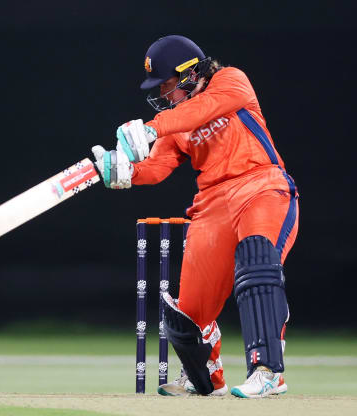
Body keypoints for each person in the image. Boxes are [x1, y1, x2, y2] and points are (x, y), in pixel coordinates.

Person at [92, 35, 299, 398]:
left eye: (168, 86)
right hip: (211, 204)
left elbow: (205, 109)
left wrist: (153, 126)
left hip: (261, 187)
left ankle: (267, 372)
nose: (166, 96)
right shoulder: (175, 120)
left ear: (191, 73)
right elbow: (156, 166)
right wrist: (124, 172)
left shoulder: (231, 81)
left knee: (257, 263)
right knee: (190, 310)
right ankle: (205, 378)